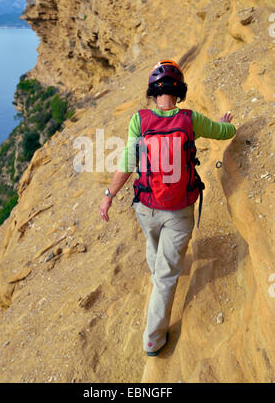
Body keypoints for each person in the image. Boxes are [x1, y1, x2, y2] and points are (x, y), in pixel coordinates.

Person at [99, 60, 236, 356]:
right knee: (166, 276)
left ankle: (156, 272)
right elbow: (224, 132)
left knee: (153, 245)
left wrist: (109, 194)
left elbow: (127, 163)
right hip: (179, 211)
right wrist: (228, 124)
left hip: (146, 206)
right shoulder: (190, 120)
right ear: (179, 90)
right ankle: (153, 339)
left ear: (153, 91)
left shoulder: (140, 120)